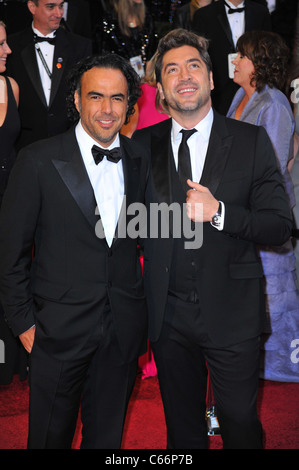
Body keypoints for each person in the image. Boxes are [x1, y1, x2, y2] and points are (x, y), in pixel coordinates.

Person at [132, 28, 293, 449]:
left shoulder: (249, 140)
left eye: (193, 65)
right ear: (161, 89)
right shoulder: (142, 146)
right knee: (182, 431)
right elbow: (125, 223)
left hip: (232, 311)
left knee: (239, 423)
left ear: (210, 77)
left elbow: (279, 225)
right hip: (168, 316)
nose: (184, 75)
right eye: (171, 69)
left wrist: (219, 213)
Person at [0, 53, 148, 449]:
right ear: (78, 101)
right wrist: (24, 324)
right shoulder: (37, 160)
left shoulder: (139, 159)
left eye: (117, 98)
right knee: (49, 438)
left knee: (106, 441)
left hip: (121, 330)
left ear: (129, 105)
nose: (106, 109)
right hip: (57, 331)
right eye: (95, 96)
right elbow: (9, 251)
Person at [227, 31, 299, 383]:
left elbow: (270, 168)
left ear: (259, 63)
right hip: (238, 212)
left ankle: (281, 365)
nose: (235, 61)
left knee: (273, 290)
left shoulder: (273, 104)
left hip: (263, 214)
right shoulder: (241, 95)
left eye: (242, 56)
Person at [5, 0, 92, 151]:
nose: (58, 13)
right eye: (51, 7)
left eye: (60, 6)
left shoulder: (80, 46)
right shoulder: (10, 47)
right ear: (32, 7)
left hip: (69, 143)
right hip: (24, 146)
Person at [0, 20, 28, 386]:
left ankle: (12, 359)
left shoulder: (12, 86)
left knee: (12, 277)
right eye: (1, 44)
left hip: (10, 200)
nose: (7, 50)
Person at [192, 0, 272, 115]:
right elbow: (199, 55)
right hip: (218, 85)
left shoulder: (260, 12)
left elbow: (267, 51)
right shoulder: (203, 14)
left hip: (253, 84)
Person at [93, 0, 157, 80]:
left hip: (143, 79)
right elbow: (104, 55)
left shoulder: (147, 18)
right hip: (117, 78)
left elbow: (151, 52)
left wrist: (147, 79)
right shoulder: (110, 20)